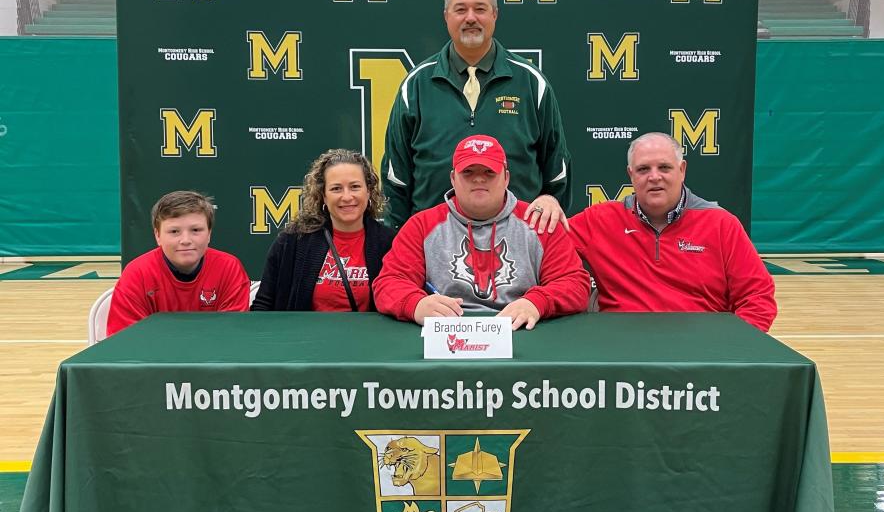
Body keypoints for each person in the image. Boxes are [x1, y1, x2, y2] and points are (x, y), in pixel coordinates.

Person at [380, 0, 571, 231]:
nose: (470, 17)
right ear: (446, 16)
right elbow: (396, 178)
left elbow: (557, 170)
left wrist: (549, 204)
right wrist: (401, 243)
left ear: (495, 14)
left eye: (480, 9)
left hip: (519, 240)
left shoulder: (531, 82)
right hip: (434, 242)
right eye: (460, 9)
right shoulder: (416, 85)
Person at [374, 134, 589, 329]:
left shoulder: (537, 221)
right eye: (468, 172)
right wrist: (415, 303)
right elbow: (389, 282)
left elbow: (575, 284)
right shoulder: (422, 225)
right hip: (447, 334)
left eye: (489, 172)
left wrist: (537, 302)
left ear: (506, 178)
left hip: (520, 331)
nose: (479, 179)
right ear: (452, 178)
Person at [568, 132, 776, 332]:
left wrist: (731, 348)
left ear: (682, 169)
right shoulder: (599, 220)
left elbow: (758, 296)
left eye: (664, 167)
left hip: (700, 354)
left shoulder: (722, 224)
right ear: (631, 175)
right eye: (643, 169)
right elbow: (543, 241)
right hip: (622, 352)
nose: (654, 177)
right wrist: (546, 203)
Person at [251, 148, 395, 312]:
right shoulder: (293, 240)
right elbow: (263, 304)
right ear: (323, 196)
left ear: (368, 191)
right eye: (336, 189)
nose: (347, 197)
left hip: (368, 337)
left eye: (355, 186)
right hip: (303, 337)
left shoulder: (389, 243)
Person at [107, 190, 249, 335]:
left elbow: (231, 336)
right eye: (174, 231)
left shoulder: (229, 268)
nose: (186, 240)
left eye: (196, 230)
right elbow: (125, 341)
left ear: (209, 234)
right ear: (158, 236)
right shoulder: (137, 274)